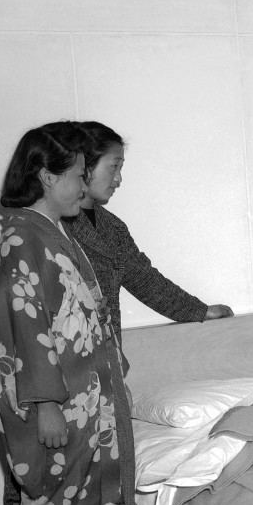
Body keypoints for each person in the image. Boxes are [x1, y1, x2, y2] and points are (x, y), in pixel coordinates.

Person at [0, 122, 138, 505]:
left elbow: (74, 310)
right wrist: (46, 403)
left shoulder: (57, 230)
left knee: (92, 500)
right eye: (77, 174)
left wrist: (108, 351)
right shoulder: (24, 237)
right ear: (47, 177)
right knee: (51, 502)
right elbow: (24, 327)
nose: (85, 184)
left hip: (89, 397)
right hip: (57, 402)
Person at [65, 121, 233, 344]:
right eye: (113, 167)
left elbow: (146, 281)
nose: (118, 180)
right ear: (84, 165)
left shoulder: (113, 228)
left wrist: (200, 311)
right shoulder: (53, 226)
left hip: (107, 358)